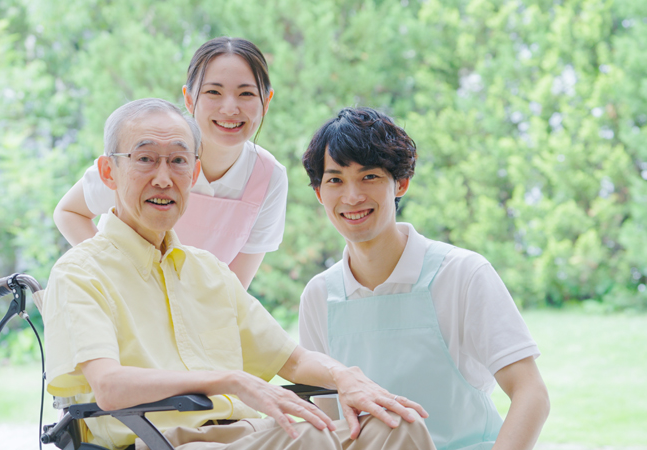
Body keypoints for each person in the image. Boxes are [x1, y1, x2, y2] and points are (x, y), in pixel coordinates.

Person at [42, 98, 437, 450]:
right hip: (160, 441)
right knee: (310, 437)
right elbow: (109, 388)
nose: (163, 177)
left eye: (178, 160)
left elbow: (293, 362)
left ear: (194, 173)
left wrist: (346, 377)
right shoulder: (80, 272)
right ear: (108, 172)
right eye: (145, 159)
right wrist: (227, 380)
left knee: (397, 427)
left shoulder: (207, 272)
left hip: (250, 434)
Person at [298, 107, 550, 450]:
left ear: (400, 183)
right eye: (335, 180)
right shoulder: (318, 295)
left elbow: (530, 393)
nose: (352, 196)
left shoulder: (462, 274)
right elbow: (329, 424)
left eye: (369, 176)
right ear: (319, 193)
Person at [53, 37, 286, 288]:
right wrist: (119, 277)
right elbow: (69, 212)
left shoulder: (268, 177)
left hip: (196, 317)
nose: (230, 108)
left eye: (246, 93)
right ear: (188, 98)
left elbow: (233, 289)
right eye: (213, 92)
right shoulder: (147, 156)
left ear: (266, 101)